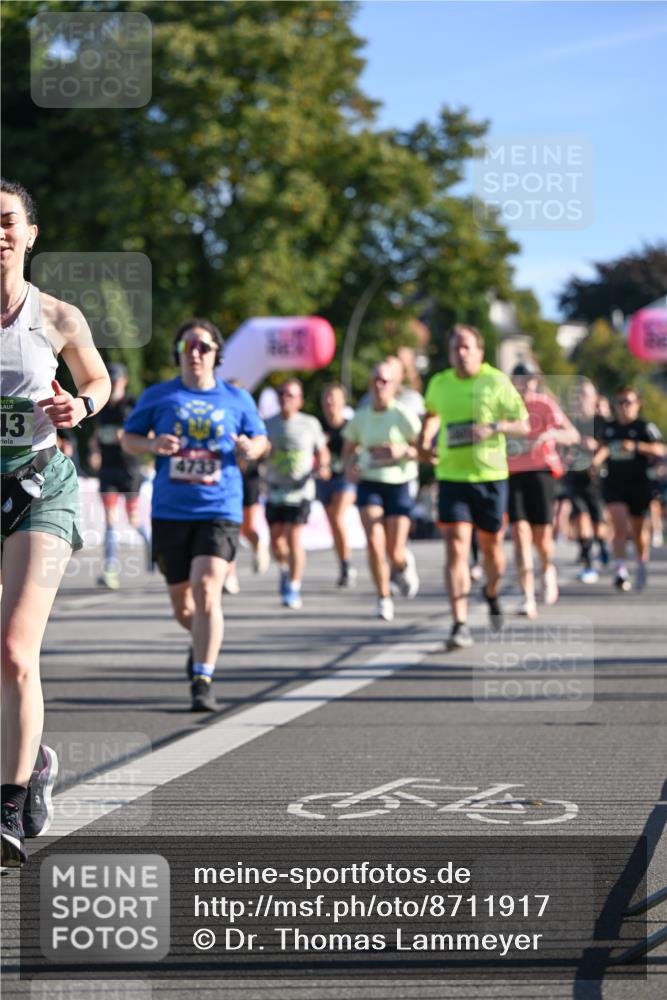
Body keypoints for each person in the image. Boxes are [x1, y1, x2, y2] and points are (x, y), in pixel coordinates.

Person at [1, 179, 111, 866]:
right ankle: (36, 759)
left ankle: (7, 803)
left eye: (7, 221)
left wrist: (83, 407)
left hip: (41, 486)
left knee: (14, 650)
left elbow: (98, 380)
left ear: (30, 234)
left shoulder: (58, 316)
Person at [122, 319, 268, 710]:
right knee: (183, 607)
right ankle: (205, 637)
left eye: (204, 347)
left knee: (207, 589)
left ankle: (203, 678)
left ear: (217, 354)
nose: (196, 353)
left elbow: (261, 440)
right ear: (179, 354)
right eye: (188, 347)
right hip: (171, 512)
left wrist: (249, 449)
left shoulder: (237, 399)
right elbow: (128, 439)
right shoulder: (158, 395)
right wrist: (153, 443)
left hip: (219, 508)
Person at [418, 324, 529, 650]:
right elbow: (432, 414)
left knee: (493, 549)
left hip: (490, 477)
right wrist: (426, 437)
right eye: (455, 348)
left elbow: (523, 424)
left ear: (480, 352)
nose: (460, 353)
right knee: (455, 547)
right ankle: (459, 623)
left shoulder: (496, 381)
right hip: (451, 477)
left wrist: (494, 426)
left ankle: (491, 591)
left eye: (466, 347)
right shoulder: (440, 382)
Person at [342, 361, 421, 621]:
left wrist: (402, 451)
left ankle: (403, 564)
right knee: (375, 544)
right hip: (370, 482)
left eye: (385, 381)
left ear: (394, 387)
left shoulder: (403, 414)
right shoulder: (361, 416)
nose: (379, 386)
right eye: (375, 380)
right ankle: (384, 597)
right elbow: (348, 447)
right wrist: (349, 468)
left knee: (393, 550)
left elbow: (423, 450)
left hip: (399, 483)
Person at [507, 363, 580, 618]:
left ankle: (547, 568)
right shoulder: (504, 405)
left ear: (536, 381)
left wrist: (550, 434)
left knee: (542, 538)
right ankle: (527, 596)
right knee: (519, 533)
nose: (524, 384)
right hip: (512, 473)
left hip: (541, 472)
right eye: (519, 379)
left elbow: (572, 435)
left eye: (529, 379)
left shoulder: (545, 404)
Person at [263, 378, 329, 610]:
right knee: (276, 541)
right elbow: (260, 449)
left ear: (300, 401)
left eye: (290, 395)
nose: (285, 399)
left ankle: (294, 585)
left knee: (293, 538)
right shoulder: (268, 424)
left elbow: (322, 451)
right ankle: (284, 569)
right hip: (275, 488)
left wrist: (323, 466)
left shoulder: (309, 423)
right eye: (282, 394)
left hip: (301, 490)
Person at [592, 386, 665, 591]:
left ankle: (641, 564)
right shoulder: (609, 428)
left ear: (637, 404)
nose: (623, 407)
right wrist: (595, 463)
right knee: (619, 524)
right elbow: (603, 449)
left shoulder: (644, 427)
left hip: (640, 484)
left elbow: (660, 449)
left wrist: (636, 446)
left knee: (639, 530)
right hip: (615, 483)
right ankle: (620, 570)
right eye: (620, 403)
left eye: (628, 402)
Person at [88, 362, 151, 589]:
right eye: (110, 380)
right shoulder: (103, 405)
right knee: (110, 520)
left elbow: (148, 430)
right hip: (108, 468)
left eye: (116, 381)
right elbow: (97, 432)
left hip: (130, 469)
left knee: (134, 520)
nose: (113, 384)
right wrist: (95, 448)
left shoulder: (133, 404)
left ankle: (153, 553)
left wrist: (128, 435)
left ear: (124, 381)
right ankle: (110, 569)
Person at [559, 378, 608, 583]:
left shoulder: (601, 422)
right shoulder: (571, 422)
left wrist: (595, 457)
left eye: (585, 394)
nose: (581, 399)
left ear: (594, 398)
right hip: (574, 477)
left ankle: (603, 544)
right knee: (581, 516)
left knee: (598, 520)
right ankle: (588, 560)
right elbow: (563, 447)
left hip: (595, 479)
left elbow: (607, 447)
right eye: (578, 395)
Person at [317, 382, 357, 588]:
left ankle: (347, 563)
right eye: (327, 397)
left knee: (338, 515)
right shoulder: (317, 425)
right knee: (333, 521)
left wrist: (355, 464)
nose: (330, 402)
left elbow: (360, 448)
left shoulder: (351, 425)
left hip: (346, 479)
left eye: (334, 397)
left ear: (343, 401)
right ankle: (344, 564)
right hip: (325, 480)